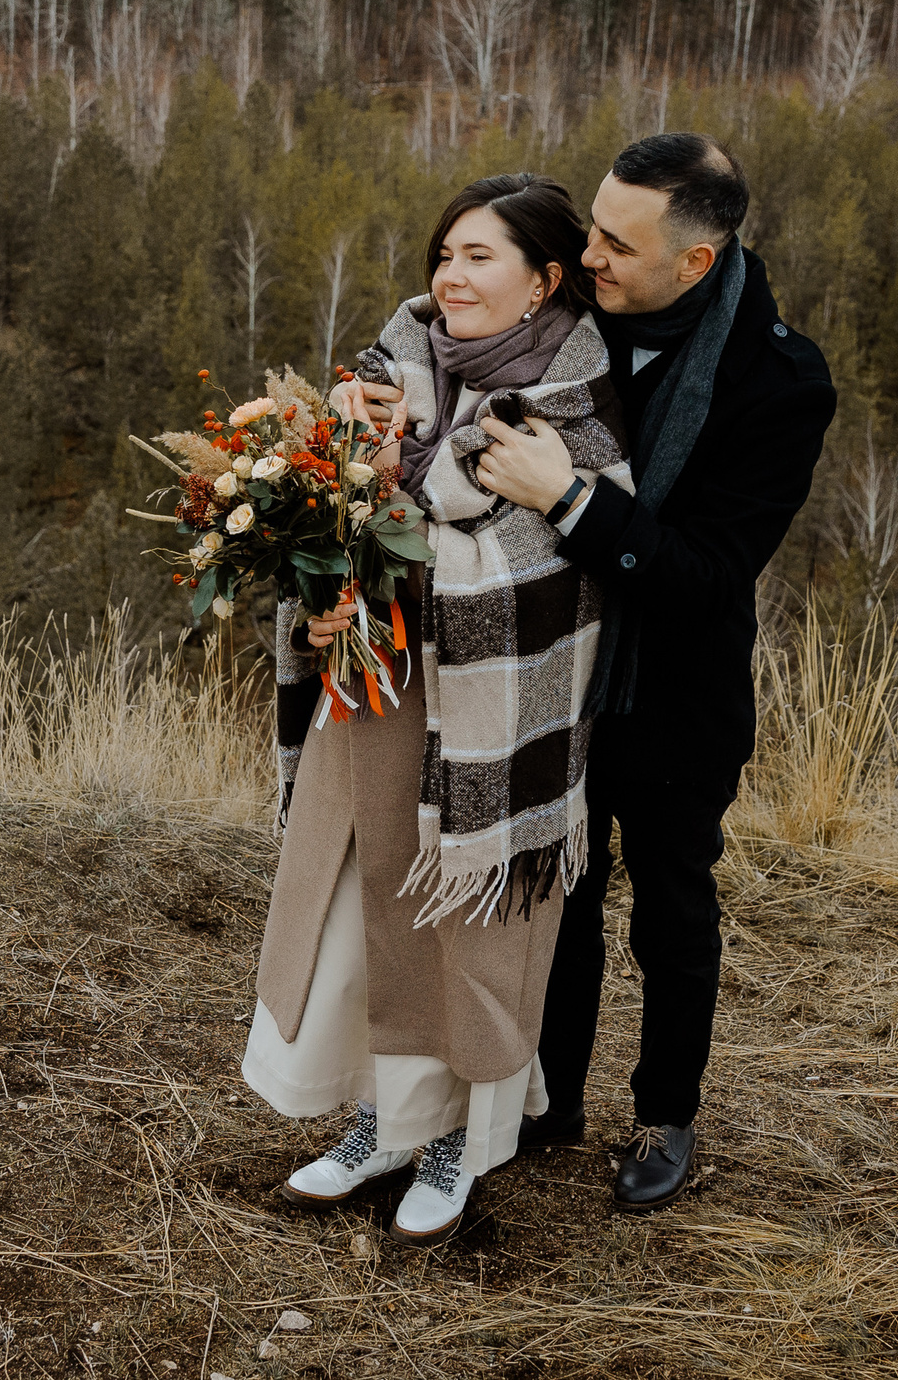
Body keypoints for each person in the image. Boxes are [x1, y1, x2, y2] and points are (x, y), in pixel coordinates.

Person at [242, 173, 633, 1246]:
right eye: (445, 255)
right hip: (381, 689)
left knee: (478, 931)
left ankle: (464, 1136)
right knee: (368, 908)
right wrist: (330, 582)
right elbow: (333, 521)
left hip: (499, 714)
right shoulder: (390, 371)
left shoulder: (571, 399)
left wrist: (396, 549)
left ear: (543, 280)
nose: (451, 276)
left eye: (479, 257)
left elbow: (559, 568)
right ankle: (384, 1121)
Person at [463, 133, 836, 1212]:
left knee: (671, 912)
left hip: (678, 690)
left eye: (618, 245)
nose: (588, 256)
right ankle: (551, 1098)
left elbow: (707, 576)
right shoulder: (572, 320)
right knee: (561, 896)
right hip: (559, 669)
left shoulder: (779, 382)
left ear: (696, 261)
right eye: (593, 228)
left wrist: (568, 499)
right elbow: (450, 347)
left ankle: (665, 1116)